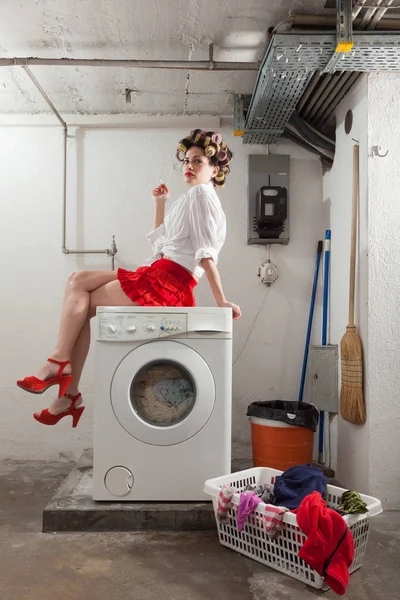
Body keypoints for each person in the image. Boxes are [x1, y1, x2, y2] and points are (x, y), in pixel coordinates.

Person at [17, 129, 241, 427]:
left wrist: (221, 300)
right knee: (78, 288)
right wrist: (160, 204)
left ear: (214, 169)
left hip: (168, 282)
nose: (188, 166)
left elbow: (205, 253)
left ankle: (62, 375)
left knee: (80, 293)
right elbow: (162, 246)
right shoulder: (193, 198)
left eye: (198, 161)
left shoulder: (201, 195)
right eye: (186, 160)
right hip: (160, 272)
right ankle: (65, 383)